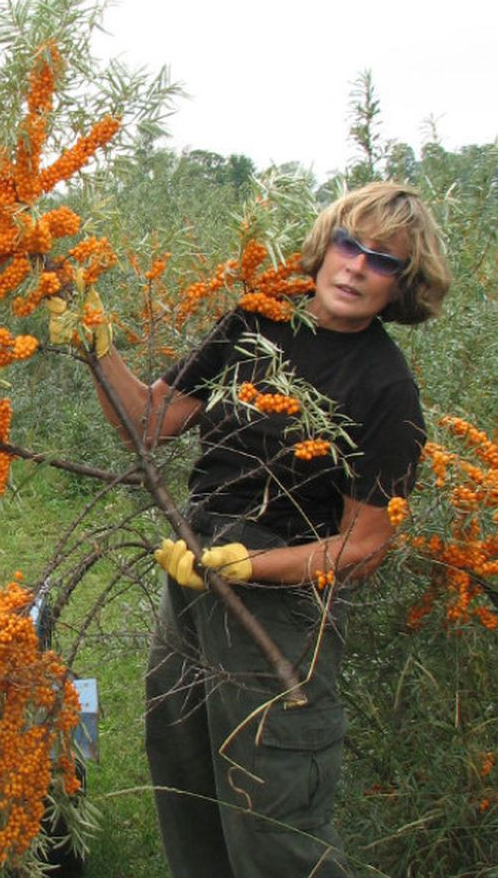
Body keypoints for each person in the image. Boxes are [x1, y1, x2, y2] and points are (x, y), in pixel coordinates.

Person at [75, 182, 450, 877]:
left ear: (403, 282)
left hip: (281, 611)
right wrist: (96, 347)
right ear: (325, 244)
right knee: (183, 779)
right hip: (192, 581)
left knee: (273, 816)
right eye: (349, 244)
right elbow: (151, 422)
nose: (356, 267)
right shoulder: (256, 321)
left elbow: (363, 546)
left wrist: (251, 566)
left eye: (382, 260)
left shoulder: (386, 389)